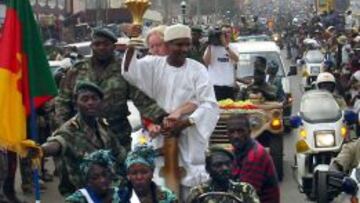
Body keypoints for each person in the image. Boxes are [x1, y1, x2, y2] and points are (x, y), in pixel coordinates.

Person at [122, 24, 219, 200]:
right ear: (168, 44)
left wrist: (185, 123)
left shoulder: (197, 69)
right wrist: (132, 43)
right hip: (159, 137)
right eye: (178, 44)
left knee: (193, 190)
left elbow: (209, 104)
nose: (183, 49)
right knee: (161, 189)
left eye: (186, 44)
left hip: (189, 138)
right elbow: (129, 72)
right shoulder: (152, 65)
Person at [55, 28, 167, 151]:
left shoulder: (124, 69)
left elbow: (141, 99)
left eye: (106, 44)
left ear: (113, 47)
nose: (101, 47)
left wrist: (164, 118)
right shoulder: (77, 69)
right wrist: (64, 129)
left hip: (117, 135)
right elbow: (63, 101)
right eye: (97, 44)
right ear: (92, 46)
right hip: (84, 136)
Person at [34, 82, 127, 196]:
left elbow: (119, 153)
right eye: (85, 99)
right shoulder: (70, 129)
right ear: (76, 104)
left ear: (101, 103)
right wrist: (40, 150)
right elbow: (58, 142)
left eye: (94, 99)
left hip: (106, 190)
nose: (90, 103)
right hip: (81, 193)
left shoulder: (102, 125)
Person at [227, 114, 280, 203]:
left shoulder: (255, 155)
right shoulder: (239, 150)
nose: (236, 136)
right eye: (232, 132)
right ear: (227, 134)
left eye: (240, 131)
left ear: (249, 132)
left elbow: (244, 193)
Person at [187, 147, 260, 203]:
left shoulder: (245, 190)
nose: (225, 168)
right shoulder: (199, 192)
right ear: (208, 169)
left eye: (228, 164)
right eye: (218, 165)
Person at [203, 25, 239, 100]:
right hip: (214, 86)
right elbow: (206, 62)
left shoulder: (233, 48)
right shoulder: (212, 48)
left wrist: (225, 45)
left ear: (231, 34)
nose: (226, 35)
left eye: (228, 32)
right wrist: (210, 44)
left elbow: (236, 59)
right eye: (224, 33)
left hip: (228, 87)